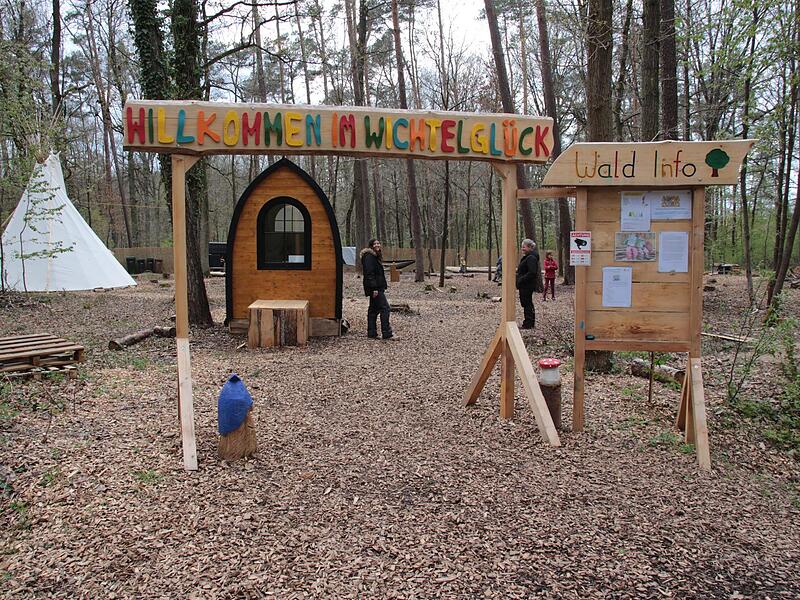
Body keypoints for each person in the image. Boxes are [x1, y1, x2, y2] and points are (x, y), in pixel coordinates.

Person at [360, 238, 395, 340]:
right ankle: (387, 333)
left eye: (378, 243)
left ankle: (372, 333)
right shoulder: (369, 257)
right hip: (375, 288)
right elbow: (369, 274)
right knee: (385, 308)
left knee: (373, 310)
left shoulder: (374, 256)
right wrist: (374, 288)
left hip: (376, 287)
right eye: (374, 244)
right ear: (371, 246)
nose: (377, 245)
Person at [515, 239, 542, 329]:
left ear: (530, 247)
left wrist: (521, 279)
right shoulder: (528, 257)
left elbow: (532, 272)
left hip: (527, 285)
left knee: (527, 303)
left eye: (524, 247)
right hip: (525, 284)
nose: (522, 248)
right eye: (522, 246)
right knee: (526, 303)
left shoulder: (531, 258)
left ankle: (528, 323)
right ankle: (529, 322)